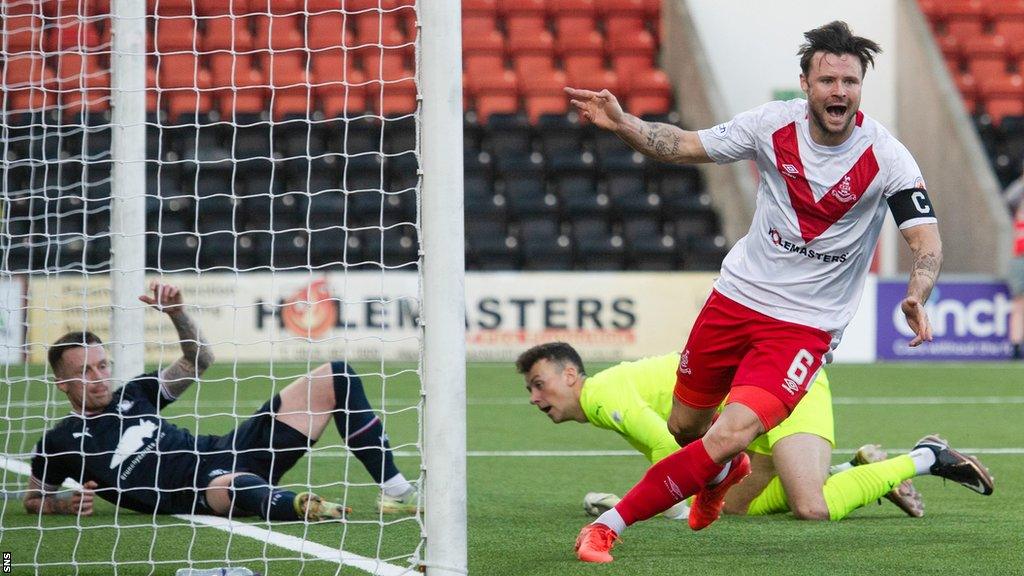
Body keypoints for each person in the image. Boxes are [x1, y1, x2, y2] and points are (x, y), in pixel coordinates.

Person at [564, 21, 991, 563]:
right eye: (828, 79)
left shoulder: (888, 158)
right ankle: (724, 474)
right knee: (685, 427)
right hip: (736, 299)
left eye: (850, 81)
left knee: (729, 435)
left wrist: (917, 290)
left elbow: (926, 244)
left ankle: (608, 526)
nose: (840, 91)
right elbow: (682, 146)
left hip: (804, 327)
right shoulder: (770, 126)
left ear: (862, 87)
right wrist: (623, 123)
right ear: (806, 84)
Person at [25, 282, 419, 521]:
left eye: (102, 365)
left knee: (337, 375)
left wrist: (178, 315)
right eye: (85, 372)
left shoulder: (136, 392)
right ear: (62, 383)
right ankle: (299, 507)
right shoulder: (59, 442)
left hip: (232, 448)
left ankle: (397, 493)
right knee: (238, 487)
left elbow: (200, 361)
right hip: (196, 489)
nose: (98, 378)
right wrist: (64, 506)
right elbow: (34, 499)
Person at [517, 342, 997, 526]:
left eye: (540, 384)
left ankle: (927, 457)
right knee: (737, 506)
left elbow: (667, 450)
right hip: (745, 410)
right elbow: (674, 451)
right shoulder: (605, 396)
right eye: (530, 390)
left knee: (811, 506)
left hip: (784, 390)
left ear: (571, 375)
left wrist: (634, 509)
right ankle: (857, 469)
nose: (536, 398)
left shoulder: (601, 394)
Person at [1003, 165, 1024, 360]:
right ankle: (1016, 346)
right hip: (1020, 257)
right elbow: (1008, 198)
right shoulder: (1019, 197)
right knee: (1019, 303)